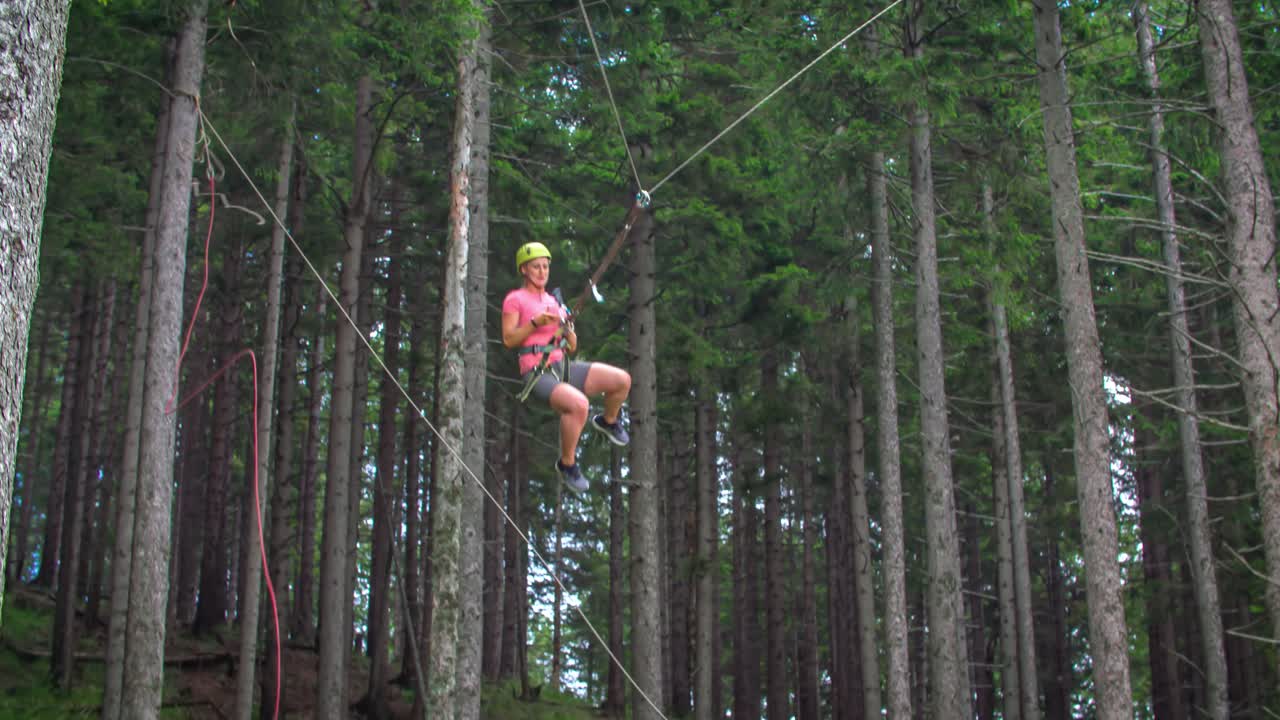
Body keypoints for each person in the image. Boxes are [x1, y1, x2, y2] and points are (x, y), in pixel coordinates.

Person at [502, 241, 632, 494]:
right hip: (537, 372)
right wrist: (534, 323)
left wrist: (569, 335)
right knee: (579, 404)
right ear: (524, 270)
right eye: (536, 267)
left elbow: (571, 347)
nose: (542, 272)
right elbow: (509, 339)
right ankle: (567, 463)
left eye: (545, 267)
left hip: (563, 366)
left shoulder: (554, 302)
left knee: (622, 381)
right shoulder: (515, 300)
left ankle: (608, 421)